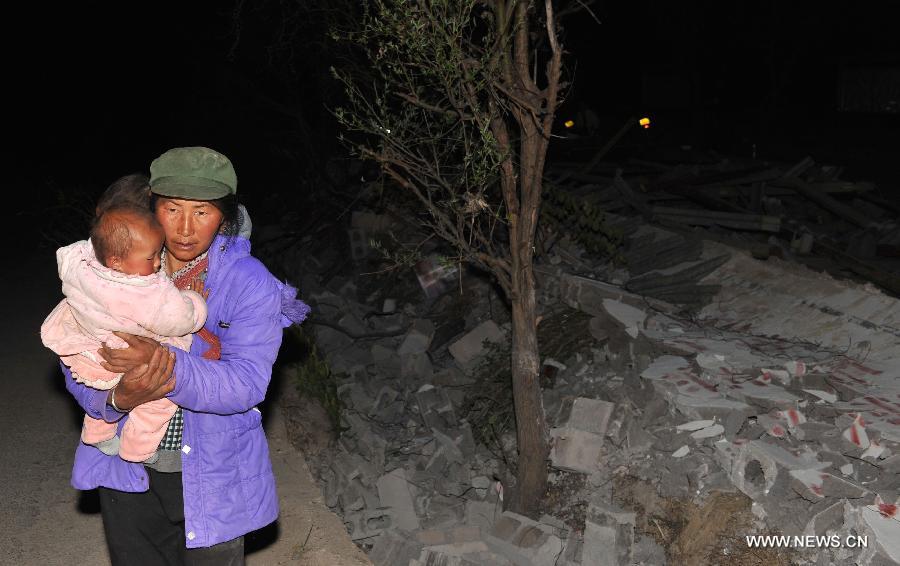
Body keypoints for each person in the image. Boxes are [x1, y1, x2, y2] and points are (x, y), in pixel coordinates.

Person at [61, 147, 310, 565]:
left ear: (226, 216)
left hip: (212, 470)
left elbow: (246, 383)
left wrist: (167, 364)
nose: (185, 229)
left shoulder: (249, 284)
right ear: (152, 205)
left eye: (203, 212)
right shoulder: (118, 264)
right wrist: (115, 399)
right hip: (127, 466)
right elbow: (75, 353)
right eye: (172, 209)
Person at [42, 202, 207, 463]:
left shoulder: (83, 267)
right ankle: (138, 449)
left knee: (104, 393)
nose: (156, 264)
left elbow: (71, 254)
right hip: (127, 357)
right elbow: (181, 319)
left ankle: (97, 433)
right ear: (117, 262)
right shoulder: (145, 291)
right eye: (151, 257)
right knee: (161, 399)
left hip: (91, 353)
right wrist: (194, 299)